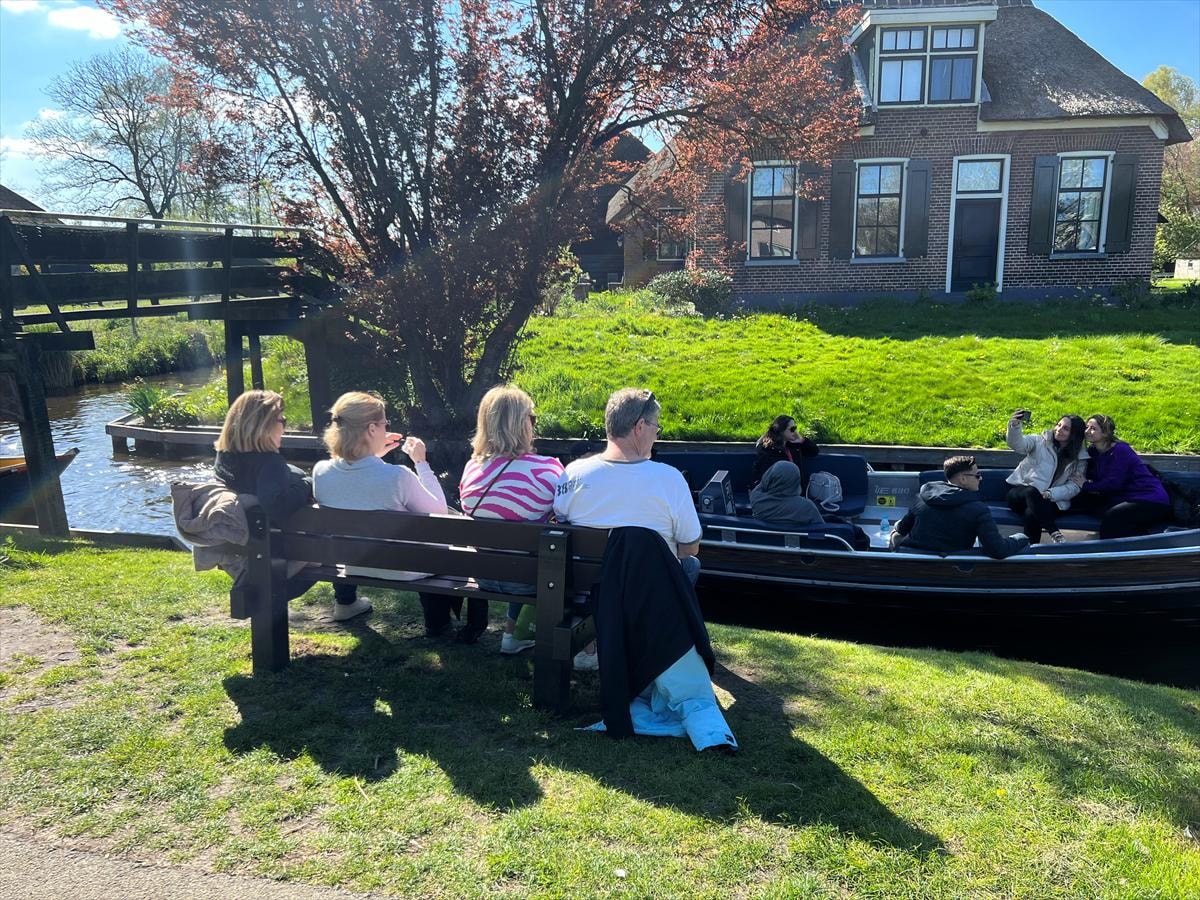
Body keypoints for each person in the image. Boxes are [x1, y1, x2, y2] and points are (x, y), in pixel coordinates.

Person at [553, 390, 700, 655]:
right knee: (691, 565)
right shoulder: (670, 478)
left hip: (588, 587)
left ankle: (591, 647)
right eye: (656, 427)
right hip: (645, 592)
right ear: (640, 427)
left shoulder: (572, 473)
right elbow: (690, 547)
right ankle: (656, 642)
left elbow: (563, 528)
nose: (656, 435)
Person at [311, 392, 452, 630]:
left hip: (353, 563)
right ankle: (437, 622)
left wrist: (370, 453)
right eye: (385, 424)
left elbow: (356, 482)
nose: (387, 428)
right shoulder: (398, 476)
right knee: (437, 537)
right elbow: (439, 513)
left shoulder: (321, 471)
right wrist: (421, 463)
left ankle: (345, 602)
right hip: (406, 568)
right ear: (372, 429)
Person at [459, 385, 564, 654]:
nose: (534, 424)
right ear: (521, 423)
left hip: (484, 574)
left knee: (521, 549)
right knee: (550, 548)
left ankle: (512, 634)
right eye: (532, 418)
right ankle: (586, 649)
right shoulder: (547, 469)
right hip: (528, 579)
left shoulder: (472, 468)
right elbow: (567, 515)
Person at [213, 389, 316, 604]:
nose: (284, 427)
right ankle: (346, 600)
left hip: (240, 552)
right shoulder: (270, 463)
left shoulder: (225, 458)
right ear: (263, 425)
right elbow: (277, 506)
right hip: (279, 562)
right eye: (282, 420)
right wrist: (307, 483)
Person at [892, 455, 1029, 558]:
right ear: (963, 479)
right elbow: (998, 550)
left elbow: (901, 529)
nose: (981, 478)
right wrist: (1021, 538)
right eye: (977, 475)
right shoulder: (978, 510)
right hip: (951, 568)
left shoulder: (921, 497)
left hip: (912, 560)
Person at [1071, 415, 1172, 539]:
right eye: (1087, 427)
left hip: (1149, 499)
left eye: (1093, 428)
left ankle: (1112, 549)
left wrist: (1086, 485)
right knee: (1081, 503)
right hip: (1122, 497)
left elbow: (1114, 483)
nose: (1087, 431)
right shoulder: (1094, 451)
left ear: (1105, 433)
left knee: (1113, 517)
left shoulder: (1120, 450)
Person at [1004, 411, 1087, 544]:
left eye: (1065, 428)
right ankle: (1054, 532)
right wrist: (1015, 426)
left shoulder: (1080, 458)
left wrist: (1050, 494)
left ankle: (1030, 551)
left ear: (1074, 434)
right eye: (1058, 425)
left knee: (1032, 514)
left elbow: (1074, 486)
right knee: (1032, 491)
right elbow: (1017, 445)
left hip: (1050, 500)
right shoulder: (1039, 441)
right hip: (1021, 493)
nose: (1059, 429)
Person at [750, 414, 819, 488]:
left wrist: (802, 440)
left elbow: (814, 452)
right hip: (777, 490)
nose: (795, 432)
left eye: (795, 428)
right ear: (781, 430)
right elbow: (762, 474)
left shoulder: (794, 446)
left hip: (795, 489)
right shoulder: (769, 449)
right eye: (792, 429)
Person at [750, 460, 824, 527]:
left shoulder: (756, 498)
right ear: (797, 480)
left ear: (770, 476)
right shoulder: (807, 507)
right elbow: (821, 528)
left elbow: (763, 483)